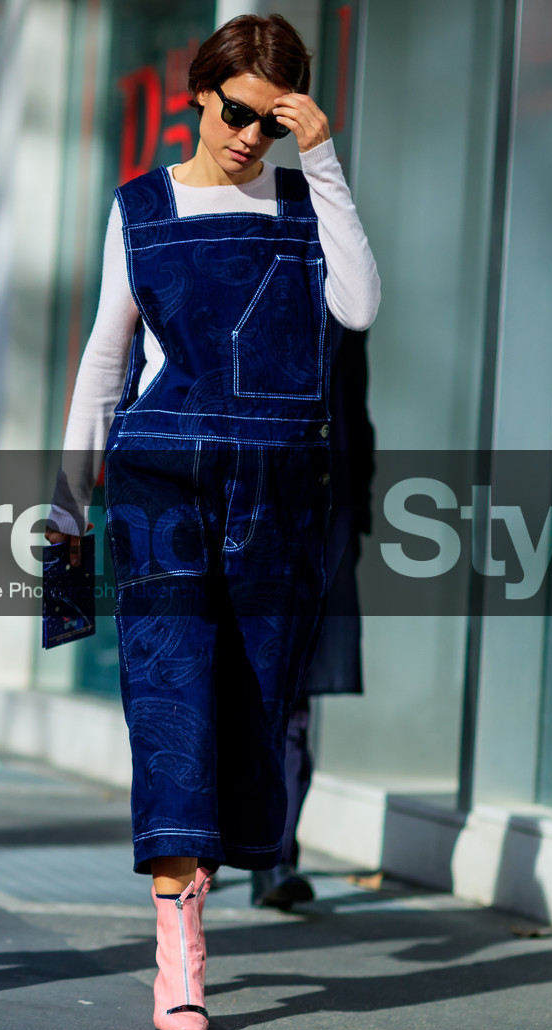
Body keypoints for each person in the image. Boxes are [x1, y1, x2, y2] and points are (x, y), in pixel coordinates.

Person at [47, 14, 379, 1030]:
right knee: (171, 699)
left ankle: (209, 888)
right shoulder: (141, 207)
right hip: (162, 481)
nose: (248, 136)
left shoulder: (305, 200)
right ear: (199, 92)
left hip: (276, 495)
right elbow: (107, 357)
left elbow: (359, 307)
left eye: (272, 123)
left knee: (251, 708)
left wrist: (322, 160)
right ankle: (179, 951)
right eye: (236, 112)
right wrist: (65, 499)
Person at [250, 328, 375, 910]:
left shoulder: (343, 307)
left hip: (323, 519)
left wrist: (358, 513)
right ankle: (210, 848)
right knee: (235, 692)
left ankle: (275, 859)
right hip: (242, 510)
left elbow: (356, 411)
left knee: (295, 700)